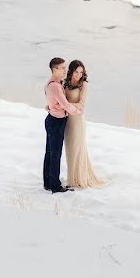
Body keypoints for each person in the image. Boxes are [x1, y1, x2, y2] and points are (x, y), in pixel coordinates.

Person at [43, 57, 82, 193]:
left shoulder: (52, 83)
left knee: (50, 153)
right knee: (55, 154)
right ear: (55, 69)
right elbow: (65, 104)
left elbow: (54, 102)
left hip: (51, 119)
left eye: (65, 67)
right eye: (62, 68)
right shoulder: (55, 86)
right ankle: (55, 185)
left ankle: (48, 182)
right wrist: (77, 111)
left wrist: (53, 106)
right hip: (56, 122)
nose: (65, 70)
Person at [63, 60, 104, 189]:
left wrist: (66, 105)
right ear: (71, 71)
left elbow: (82, 105)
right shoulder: (65, 83)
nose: (79, 75)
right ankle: (71, 177)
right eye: (76, 72)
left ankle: (74, 181)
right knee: (69, 150)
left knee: (77, 149)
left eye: (81, 72)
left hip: (77, 122)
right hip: (66, 120)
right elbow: (60, 99)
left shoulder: (83, 85)